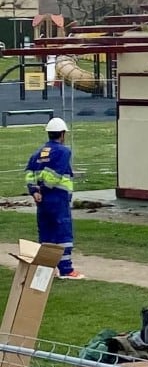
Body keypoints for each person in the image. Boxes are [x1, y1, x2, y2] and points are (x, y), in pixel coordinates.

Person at [25, 117, 84, 279]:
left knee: (46, 233)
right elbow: (56, 175)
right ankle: (66, 269)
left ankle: (46, 269)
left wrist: (34, 191)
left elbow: (29, 174)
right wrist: (43, 189)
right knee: (62, 233)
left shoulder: (38, 153)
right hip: (57, 199)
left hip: (41, 201)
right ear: (62, 134)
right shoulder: (63, 152)